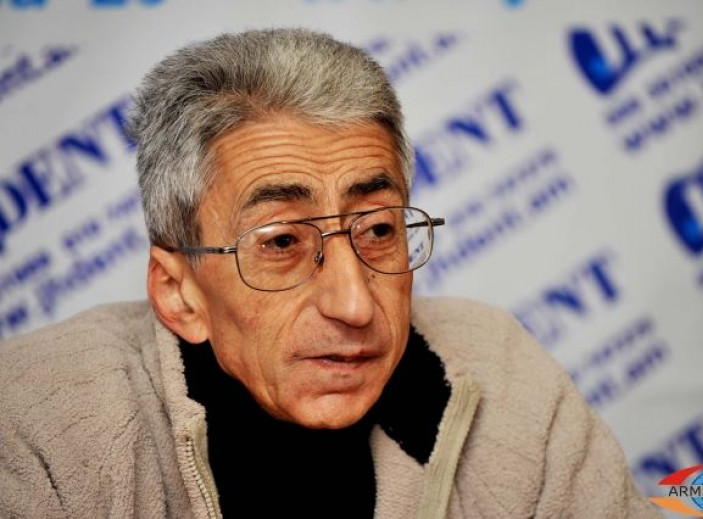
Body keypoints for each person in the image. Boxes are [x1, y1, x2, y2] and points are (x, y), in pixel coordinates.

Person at [0, 28, 661, 518]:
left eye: (379, 230)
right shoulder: (36, 427)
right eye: (282, 241)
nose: (355, 304)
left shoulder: (501, 369)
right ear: (179, 292)